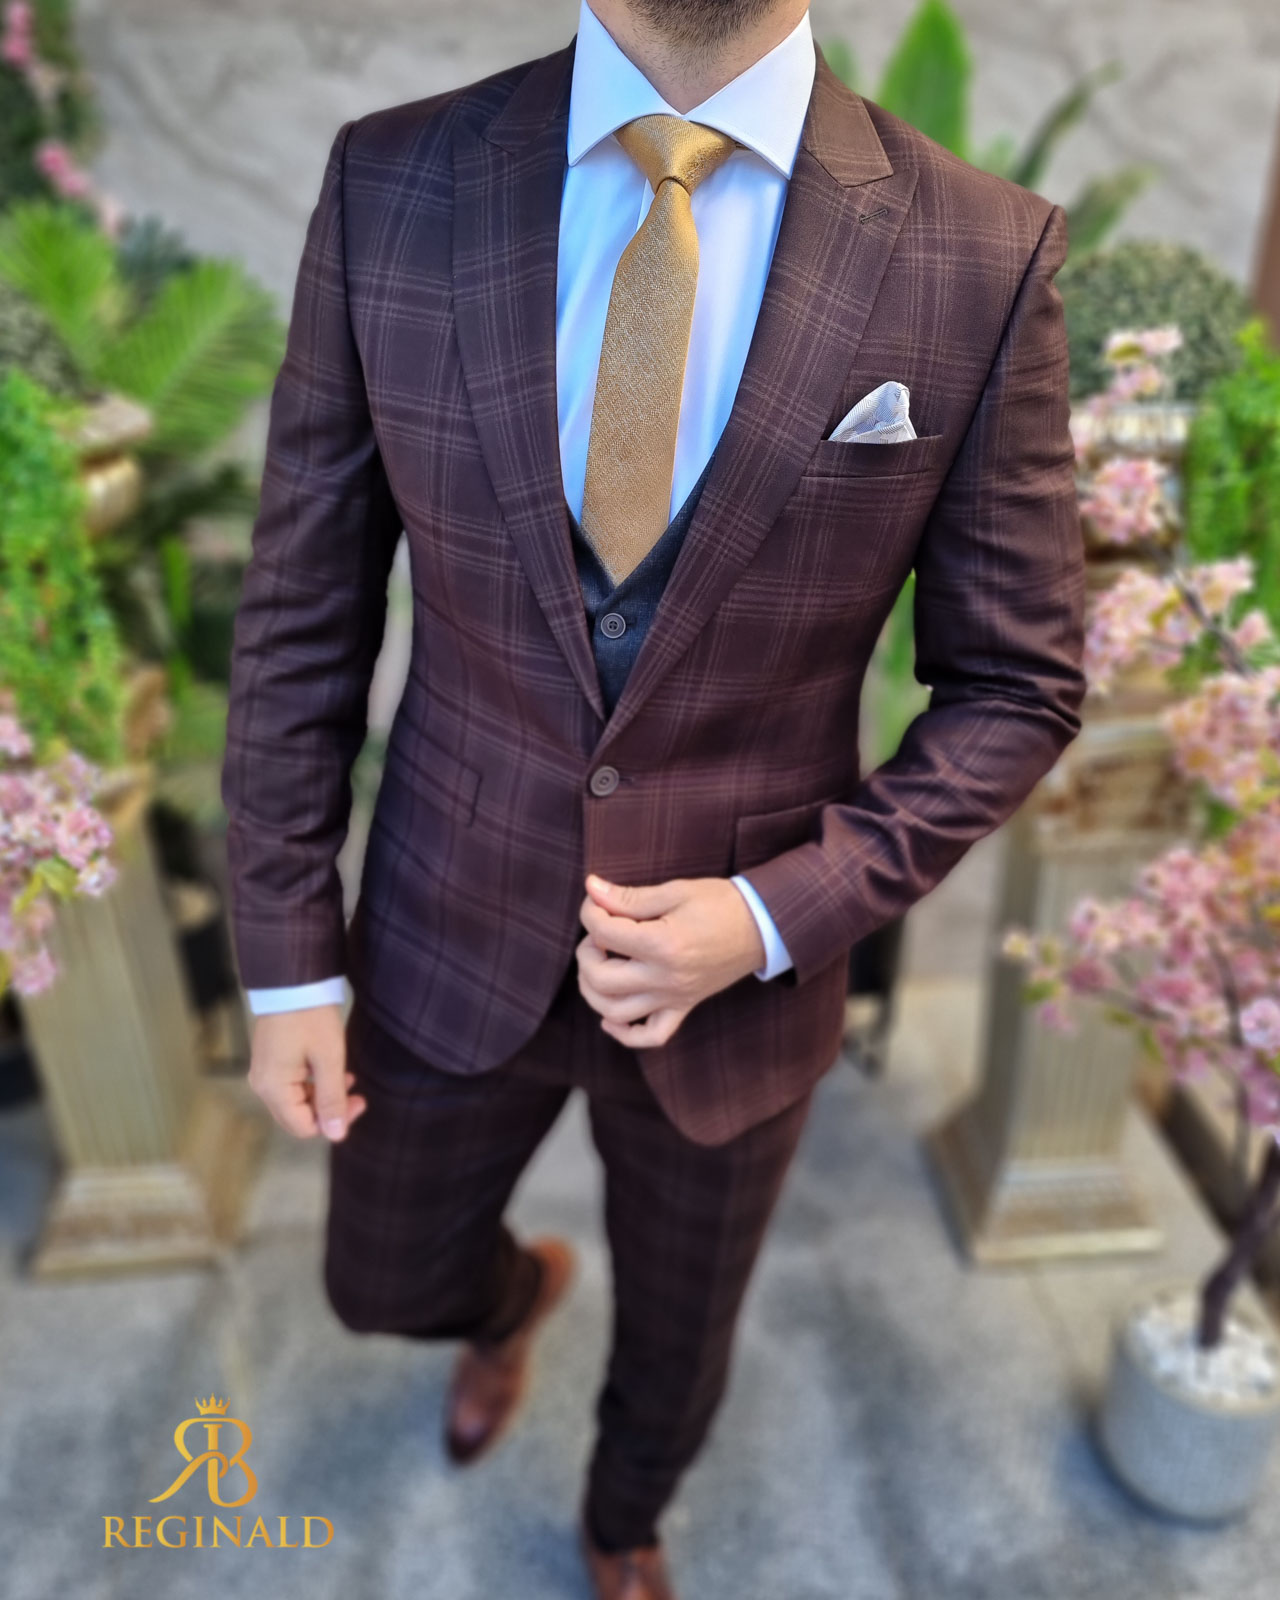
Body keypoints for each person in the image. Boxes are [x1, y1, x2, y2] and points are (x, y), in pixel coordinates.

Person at [220, 0, 1088, 1593]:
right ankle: (509, 1304)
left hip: (743, 974)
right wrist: (287, 959)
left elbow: (1017, 684)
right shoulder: (393, 180)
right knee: (379, 1281)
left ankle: (623, 1523)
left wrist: (774, 915)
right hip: (447, 912)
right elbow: (302, 607)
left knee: (685, 1337)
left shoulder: (983, 248)